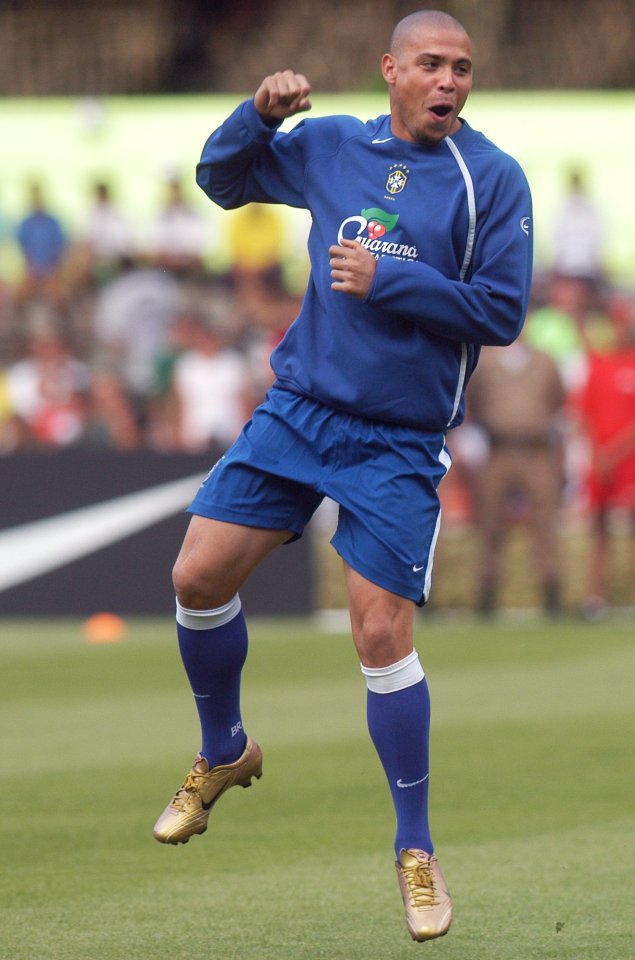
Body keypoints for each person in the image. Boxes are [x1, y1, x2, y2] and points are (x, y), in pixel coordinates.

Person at [152, 9, 532, 943]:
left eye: (463, 69)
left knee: (378, 634)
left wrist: (387, 278)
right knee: (195, 578)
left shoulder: (491, 179)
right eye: (433, 66)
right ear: (391, 70)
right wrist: (257, 114)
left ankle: (414, 850)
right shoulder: (329, 145)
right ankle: (223, 751)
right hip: (300, 412)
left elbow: (503, 311)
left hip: (397, 439)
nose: (450, 81)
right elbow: (221, 178)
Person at [466, 338, 566, 616]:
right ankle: (486, 592)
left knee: (545, 522)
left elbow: (558, 399)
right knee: (490, 523)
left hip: (537, 449)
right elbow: (472, 400)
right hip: (498, 448)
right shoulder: (485, 362)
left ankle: (552, 592)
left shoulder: (545, 361)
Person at [575, 294, 635, 618]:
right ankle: (595, 597)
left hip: (628, 462)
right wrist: (599, 456)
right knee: (598, 530)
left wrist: (614, 453)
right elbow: (583, 414)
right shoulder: (598, 364)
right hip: (602, 462)